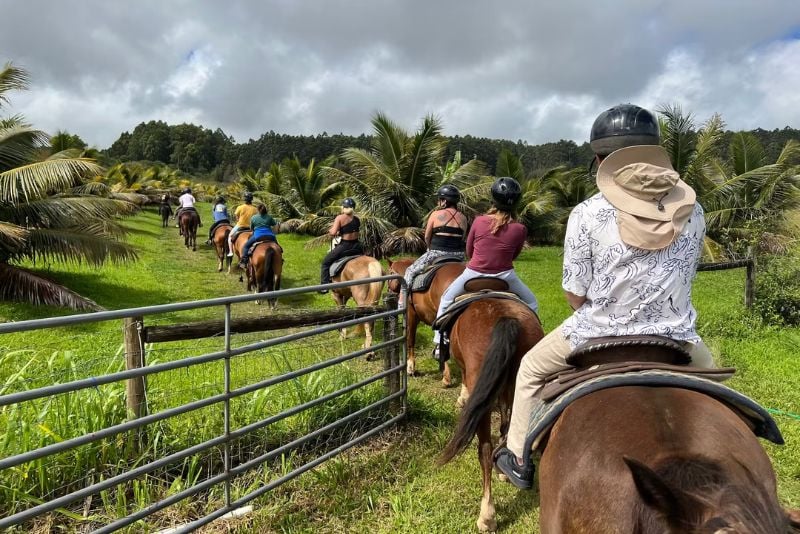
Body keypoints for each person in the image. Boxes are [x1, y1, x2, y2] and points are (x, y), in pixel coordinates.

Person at [493, 103, 715, 490]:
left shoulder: (588, 212)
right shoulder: (693, 211)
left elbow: (574, 295)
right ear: (654, 151)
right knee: (718, 393)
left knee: (528, 369)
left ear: (600, 160)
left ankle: (518, 458)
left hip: (597, 333)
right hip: (678, 337)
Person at [431, 177, 539, 360]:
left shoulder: (479, 221)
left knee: (446, 299)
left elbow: (469, 250)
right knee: (533, 302)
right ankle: (534, 344)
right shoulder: (520, 228)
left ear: (493, 199)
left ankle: (439, 343)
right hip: (506, 277)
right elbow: (515, 254)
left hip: (473, 274)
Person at [399, 185, 469, 307]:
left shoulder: (435, 214)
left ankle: (401, 303)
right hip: (459, 255)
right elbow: (463, 238)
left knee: (410, 271)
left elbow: (427, 236)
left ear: (444, 201)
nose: (438, 202)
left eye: (439, 199)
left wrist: (429, 247)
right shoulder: (463, 217)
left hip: (438, 252)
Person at [319, 197, 363, 294]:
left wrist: (330, 231)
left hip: (345, 246)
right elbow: (352, 230)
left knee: (325, 263)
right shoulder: (357, 219)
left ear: (343, 207)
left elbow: (333, 232)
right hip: (357, 246)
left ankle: (324, 286)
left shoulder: (340, 218)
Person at [238, 203, 279, 268]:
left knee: (246, 246)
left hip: (258, 236)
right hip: (271, 236)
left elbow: (252, 229)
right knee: (278, 247)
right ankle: (279, 258)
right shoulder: (269, 217)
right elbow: (275, 225)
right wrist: (274, 232)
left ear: (258, 210)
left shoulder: (254, 217)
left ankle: (244, 261)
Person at [227, 192, 260, 257]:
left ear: (244, 199)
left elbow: (237, 217)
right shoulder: (255, 209)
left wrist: (238, 221)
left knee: (230, 236)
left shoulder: (240, 207)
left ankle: (231, 252)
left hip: (240, 226)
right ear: (251, 199)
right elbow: (256, 219)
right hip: (251, 228)